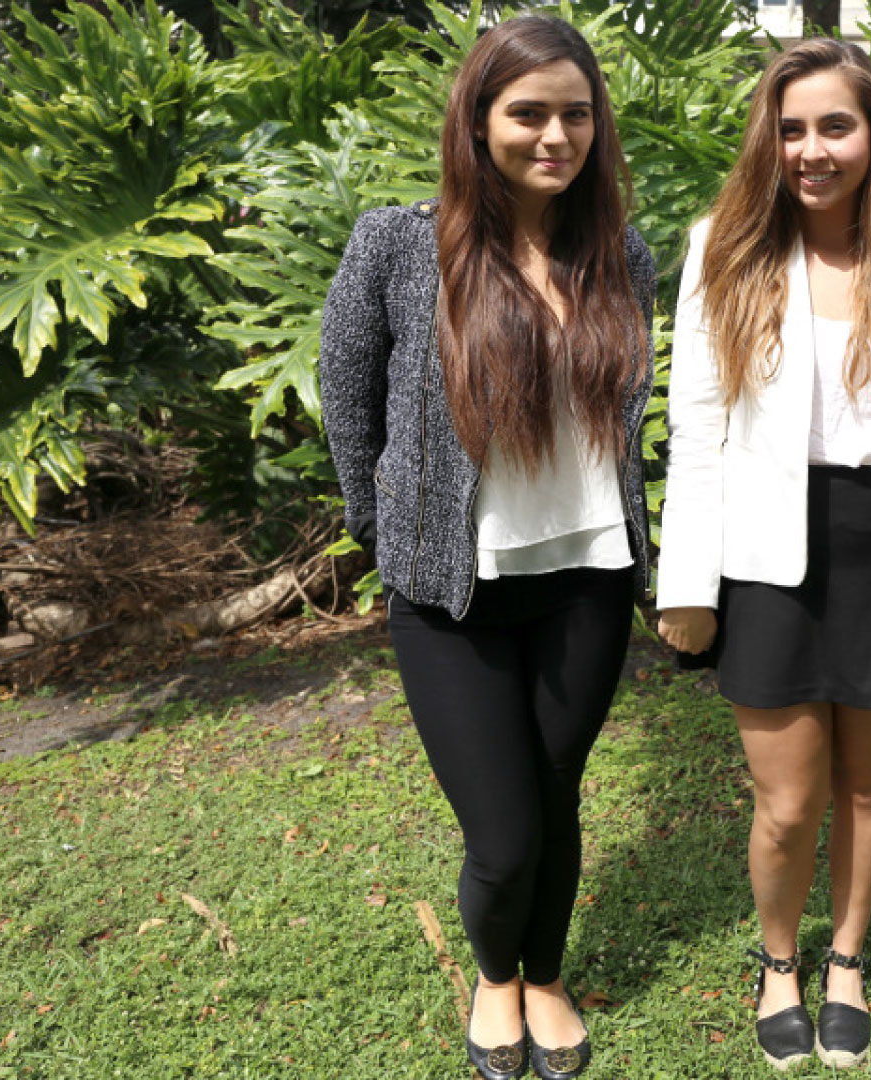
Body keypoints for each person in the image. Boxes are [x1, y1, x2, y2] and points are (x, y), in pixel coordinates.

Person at [655, 37, 871, 1072]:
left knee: (867, 789)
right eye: (792, 127)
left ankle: (845, 956)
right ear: (770, 137)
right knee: (787, 799)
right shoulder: (724, 243)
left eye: (835, 126)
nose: (813, 148)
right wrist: (687, 584)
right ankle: (777, 963)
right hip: (766, 555)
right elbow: (697, 429)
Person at [318, 16, 656, 1080]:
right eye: (529, 112)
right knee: (504, 832)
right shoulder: (398, 243)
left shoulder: (620, 253)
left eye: (576, 113)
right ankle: (493, 972)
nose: (556, 134)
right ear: (478, 118)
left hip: (589, 579)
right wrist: (384, 525)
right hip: (453, 592)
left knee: (556, 793)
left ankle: (542, 976)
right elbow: (346, 393)